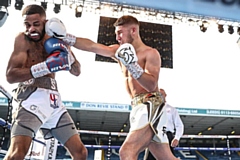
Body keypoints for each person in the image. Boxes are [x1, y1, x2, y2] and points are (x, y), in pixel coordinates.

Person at [46, 15, 178, 160]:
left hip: (150, 104)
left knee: (127, 152)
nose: (117, 38)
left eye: (120, 32)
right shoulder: (118, 51)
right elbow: (92, 46)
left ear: (133, 30)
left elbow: (152, 85)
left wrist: (133, 66)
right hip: (137, 107)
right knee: (166, 158)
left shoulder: (151, 53)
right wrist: (66, 37)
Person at [4, 4, 87, 160]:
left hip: (54, 100)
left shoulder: (55, 37)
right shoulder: (22, 39)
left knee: (81, 153)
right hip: (31, 96)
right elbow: (10, 76)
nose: (31, 29)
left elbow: (76, 71)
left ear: (45, 22)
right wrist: (43, 67)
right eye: (27, 25)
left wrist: (67, 54)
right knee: (16, 154)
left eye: (36, 24)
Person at [145, 88, 184, 159]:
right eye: (158, 95)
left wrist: (176, 138)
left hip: (167, 135)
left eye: (161, 94)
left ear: (165, 95)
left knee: (168, 158)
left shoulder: (172, 109)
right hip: (154, 135)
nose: (159, 96)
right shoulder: (151, 109)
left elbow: (179, 125)